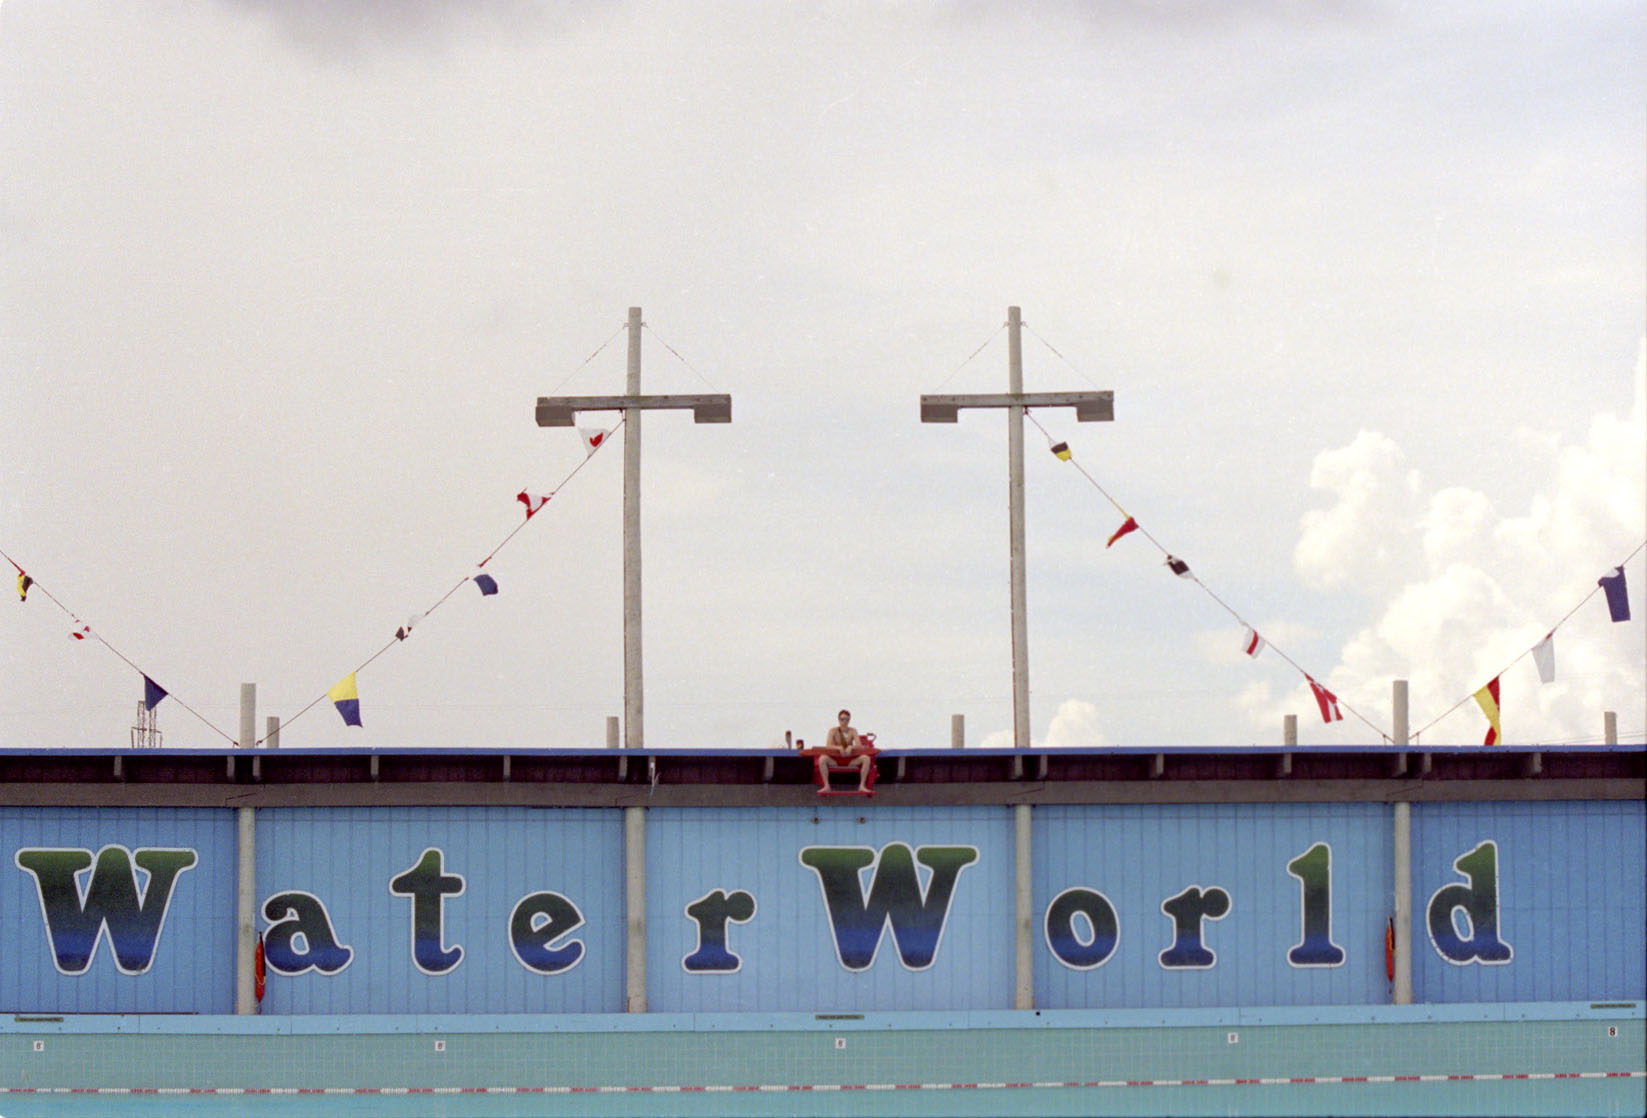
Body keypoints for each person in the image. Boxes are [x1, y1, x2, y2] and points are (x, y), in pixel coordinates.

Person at [818, 709, 872, 793]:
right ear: (838, 720)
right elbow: (828, 746)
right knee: (822, 759)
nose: (844, 722)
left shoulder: (853, 731)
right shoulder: (833, 731)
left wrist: (851, 747)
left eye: (846, 719)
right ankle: (826, 786)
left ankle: (862, 785)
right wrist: (838, 748)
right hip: (835, 759)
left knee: (866, 758)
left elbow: (859, 746)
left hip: (849, 759)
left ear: (849, 720)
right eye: (842, 719)